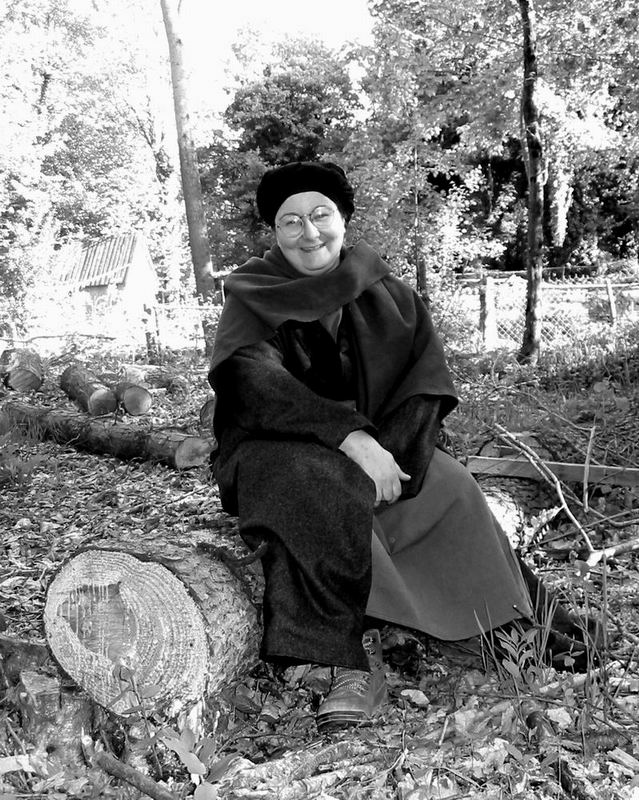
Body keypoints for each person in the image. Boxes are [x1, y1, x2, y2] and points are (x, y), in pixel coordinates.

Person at [208, 161, 598, 732]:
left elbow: (425, 385)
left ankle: (499, 626)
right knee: (316, 487)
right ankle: (343, 658)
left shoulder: (387, 292)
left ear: (344, 219)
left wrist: (389, 451)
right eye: (291, 221)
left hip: (384, 447)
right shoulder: (252, 295)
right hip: (277, 446)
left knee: (451, 486)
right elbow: (254, 385)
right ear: (275, 231)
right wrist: (350, 439)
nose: (309, 233)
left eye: (321, 215)